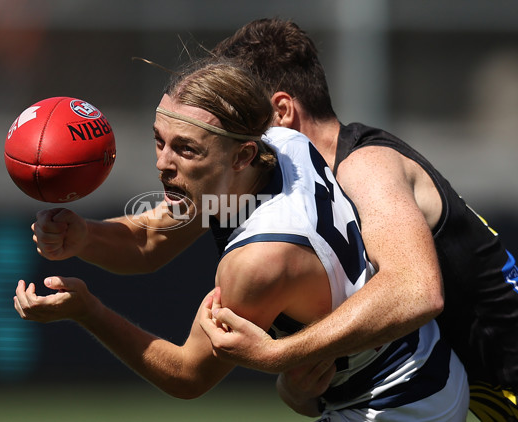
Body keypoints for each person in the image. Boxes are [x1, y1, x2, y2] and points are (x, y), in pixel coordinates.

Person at [15, 60, 469, 420]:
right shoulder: (282, 145)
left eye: (186, 149)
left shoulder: (256, 262)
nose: (163, 164)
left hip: (393, 402)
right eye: (159, 141)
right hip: (423, 367)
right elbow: (153, 239)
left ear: (242, 155)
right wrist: (85, 235)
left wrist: (87, 311)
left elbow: (187, 376)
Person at [198, 18, 518, 420]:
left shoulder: (364, 166)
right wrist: (299, 387)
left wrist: (278, 354)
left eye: (240, 118)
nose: (230, 139)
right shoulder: (314, 197)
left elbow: (417, 291)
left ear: (281, 111)